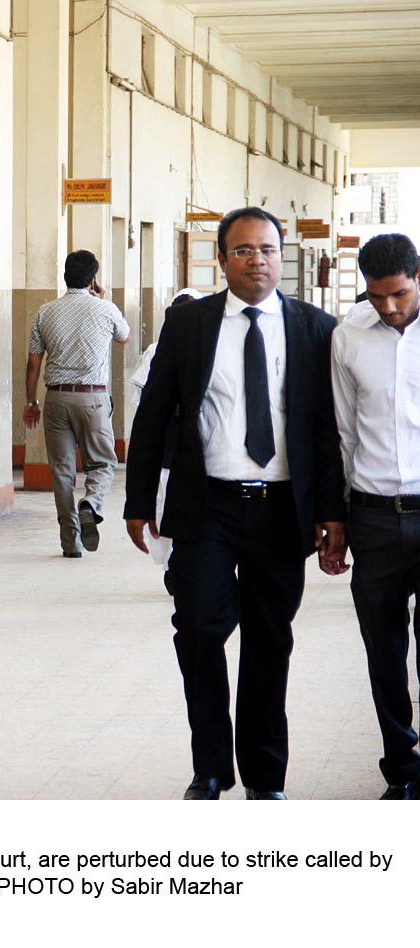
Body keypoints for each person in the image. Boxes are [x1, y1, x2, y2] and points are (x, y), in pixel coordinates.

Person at [124, 207, 345, 801]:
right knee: (198, 630)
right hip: (207, 507)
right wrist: (139, 499)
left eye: (267, 249)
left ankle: (266, 777)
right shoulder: (191, 325)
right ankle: (211, 766)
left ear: (282, 257)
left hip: (280, 510)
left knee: (271, 641)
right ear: (221, 259)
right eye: (243, 250)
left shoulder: (314, 328)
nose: (257, 260)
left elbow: (327, 429)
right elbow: (153, 415)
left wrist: (331, 513)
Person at [329, 233, 420, 800]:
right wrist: (336, 520)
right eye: (378, 296)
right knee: (383, 649)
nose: (389, 307)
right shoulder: (348, 337)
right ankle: (402, 769)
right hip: (373, 517)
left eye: (400, 295)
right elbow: (342, 431)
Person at [24, 250, 130, 557]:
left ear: (65, 276)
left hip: (56, 397)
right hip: (93, 398)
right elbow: (125, 336)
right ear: (93, 279)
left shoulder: (45, 312)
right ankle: (91, 504)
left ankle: (71, 543)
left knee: (62, 472)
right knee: (103, 463)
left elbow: (33, 364)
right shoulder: (105, 309)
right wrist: (103, 298)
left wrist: (30, 401)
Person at [131, 288, 205, 594]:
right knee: (164, 507)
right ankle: (174, 565)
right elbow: (143, 404)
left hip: (196, 449)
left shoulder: (211, 351)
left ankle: (184, 563)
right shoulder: (156, 351)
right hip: (168, 446)